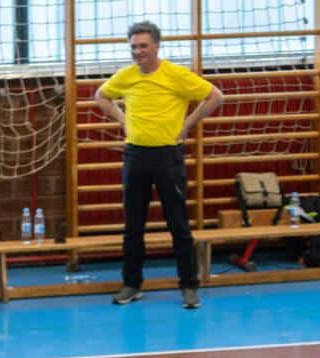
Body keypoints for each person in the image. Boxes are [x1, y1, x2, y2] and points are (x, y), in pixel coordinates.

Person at [95, 20, 224, 311]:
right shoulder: (126, 76)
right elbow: (100, 96)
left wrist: (188, 124)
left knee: (178, 224)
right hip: (135, 157)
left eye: (143, 46)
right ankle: (132, 284)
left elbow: (216, 96)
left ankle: (189, 287)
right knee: (133, 226)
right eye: (133, 47)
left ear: (156, 46)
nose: (137, 52)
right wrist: (123, 120)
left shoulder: (176, 75)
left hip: (168, 157)